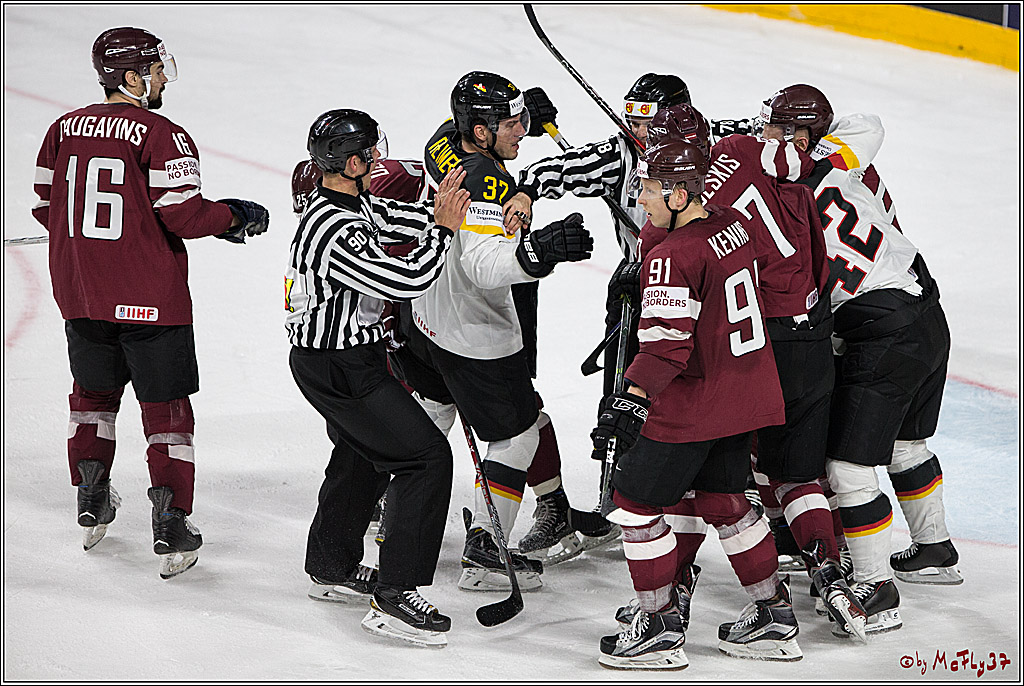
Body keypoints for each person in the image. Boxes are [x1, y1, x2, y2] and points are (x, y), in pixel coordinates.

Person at [31, 26, 270, 579]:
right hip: (150, 302)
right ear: (134, 77)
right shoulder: (161, 133)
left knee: (92, 396)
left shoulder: (60, 130)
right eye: (158, 69)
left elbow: (47, 208)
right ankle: (170, 523)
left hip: (80, 293)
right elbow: (184, 215)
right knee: (166, 413)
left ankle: (90, 498)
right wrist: (233, 215)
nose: (164, 78)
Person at [648, 103, 869, 639]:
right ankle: (832, 575)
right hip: (813, 330)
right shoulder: (755, 150)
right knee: (797, 472)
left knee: (708, 475)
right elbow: (795, 156)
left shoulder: (690, 226)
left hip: (754, 351)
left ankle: (673, 590)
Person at [758, 84, 959, 636]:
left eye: (774, 129)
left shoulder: (777, 196)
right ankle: (934, 548)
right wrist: (807, 142)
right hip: (924, 307)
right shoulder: (841, 163)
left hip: (878, 328)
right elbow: (868, 121)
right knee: (905, 444)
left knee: (848, 466)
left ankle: (875, 587)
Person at [594, 139, 798, 669]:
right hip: (747, 393)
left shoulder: (671, 259)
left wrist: (630, 399)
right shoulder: (732, 223)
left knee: (635, 505)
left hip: (695, 404)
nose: (640, 196)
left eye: (650, 187)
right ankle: (774, 614)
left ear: (681, 193)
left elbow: (665, 347)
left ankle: (658, 625)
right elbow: (685, 249)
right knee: (724, 500)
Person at [286, 108, 470, 647]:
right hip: (337, 368)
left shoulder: (357, 202)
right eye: (369, 151)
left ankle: (331, 563)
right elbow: (406, 277)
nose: (378, 158)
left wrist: (469, 212)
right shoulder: (329, 228)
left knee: (362, 454)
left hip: (352, 361)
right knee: (426, 458)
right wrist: (443, 233)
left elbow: (406, 220)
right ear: (349, 161)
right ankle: (396, 594)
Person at [409, 71, 593, 592]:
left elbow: (474, 149)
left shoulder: (444, 140)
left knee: (433, 411)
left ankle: (383, 507)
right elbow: (487, 265)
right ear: (484, 131)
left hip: (429, 312)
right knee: (518, 434)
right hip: (476, 328)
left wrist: (525, 123)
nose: (522, 130)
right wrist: (542, 251)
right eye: (511, 123)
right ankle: (487, 552)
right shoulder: (486, 181)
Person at [501, 73, 691, 561]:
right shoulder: (620, 154)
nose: (634, 128)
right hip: (640, 289)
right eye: (630, 115)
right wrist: (525, 190)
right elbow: (559, 169)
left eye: (645, 119)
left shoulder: (710, 148)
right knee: (623, 397)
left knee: (704, 396)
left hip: (704, 290)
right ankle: (617, 500)